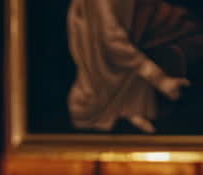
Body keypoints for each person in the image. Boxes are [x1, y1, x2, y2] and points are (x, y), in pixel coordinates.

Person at [67, 0, 203, 133]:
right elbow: (111, 40)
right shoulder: (96, 9)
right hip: (105, 71)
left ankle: (130, 108)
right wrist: (159, 79)